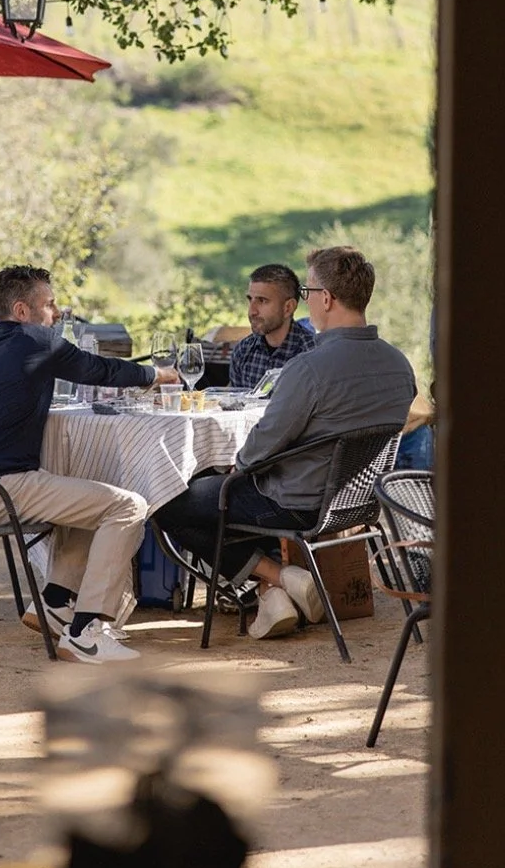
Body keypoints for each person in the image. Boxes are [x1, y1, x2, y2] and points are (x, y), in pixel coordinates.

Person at [156, 246, 416, 640]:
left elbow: (262, 446)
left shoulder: (308, 368)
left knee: (164, 501)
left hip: (295, 504)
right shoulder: (400, 365)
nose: (310, 302)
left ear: (325, 298)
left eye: (309, 293)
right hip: (359, 502)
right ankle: (273, 592)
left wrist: (236, 465)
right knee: (225, 492)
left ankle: (279, 577)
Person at [0, 264, 174, 665]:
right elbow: (101, 369)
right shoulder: (35, 341)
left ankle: (57, 603)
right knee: (128, 506)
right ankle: (87, 632)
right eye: (50, 304)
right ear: (23, 311)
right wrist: (158, 374)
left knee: (92, 494)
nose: (56, 313)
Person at [227, 263, 316, 391]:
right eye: (250, 299)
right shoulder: (243, 351)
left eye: (262, 301)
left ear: (288, 308)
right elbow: (235, 407)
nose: (252, 311)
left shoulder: (311, 354)